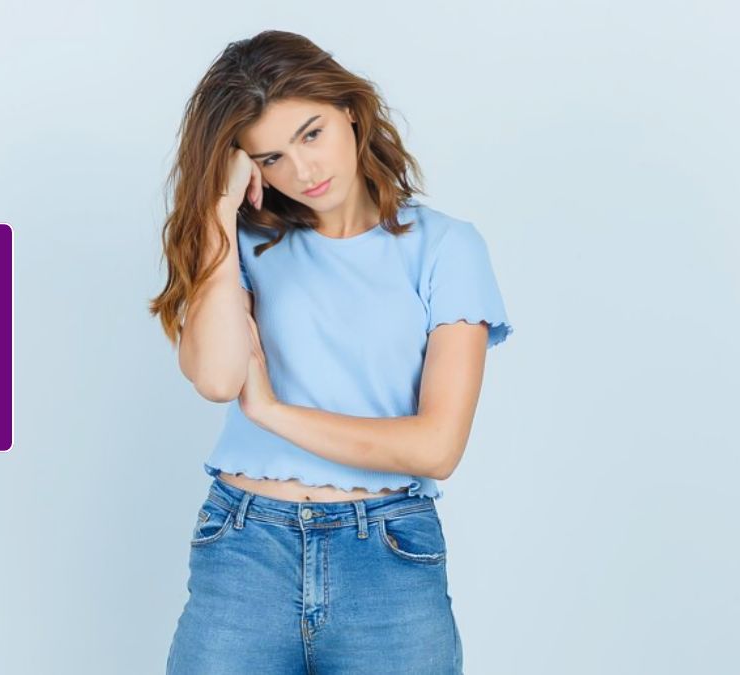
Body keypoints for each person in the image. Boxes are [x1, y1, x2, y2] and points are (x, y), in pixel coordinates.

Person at [149, 30, 513, 674]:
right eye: (270, 158)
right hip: (244, 550)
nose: (303, 172)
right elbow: (214, 376)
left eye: (310, 134)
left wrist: (270, 413)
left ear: (349, 109)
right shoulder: (241, 245)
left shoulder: (447, 248)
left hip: (389, 557)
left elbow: (436, 448)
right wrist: (216, 210)